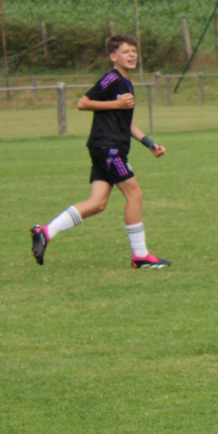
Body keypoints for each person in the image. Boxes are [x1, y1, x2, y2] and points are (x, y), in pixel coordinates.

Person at [30, 35, 171, 268]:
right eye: (125, 52)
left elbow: (125, 121)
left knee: (97, 203)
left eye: (134, 51)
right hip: (109, 149)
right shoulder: (111, 79)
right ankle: (140, 256)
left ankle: (46, 231)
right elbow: (83, 103)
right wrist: (115, 104)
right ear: (113, 57)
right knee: (134, 195)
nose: (132, 55)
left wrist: (148, 142)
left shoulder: (126, 83)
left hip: (105, 148)